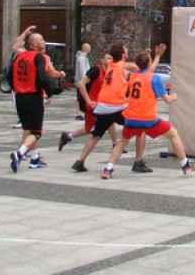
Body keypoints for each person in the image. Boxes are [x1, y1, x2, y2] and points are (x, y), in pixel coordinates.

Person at [101, 50, 193, 178]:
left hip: (131, 117)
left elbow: (143, 89)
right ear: (149, 63)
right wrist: (174, 96)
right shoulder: (154, 78)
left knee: (122, 142)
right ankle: (185, 165)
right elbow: (168, 100)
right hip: (147, 118)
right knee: (173, 134)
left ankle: (108, 169)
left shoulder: (133, 77)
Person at [87, 43, 164, 179]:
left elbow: (140, 66)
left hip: (104, 105)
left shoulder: (111, 65)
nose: (127, 49)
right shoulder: (125, 66)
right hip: (117, 106)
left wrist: (144, 54)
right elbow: (148, 70)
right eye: (126, 49)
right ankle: (138, 161)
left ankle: (82, 161)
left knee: (98, 135)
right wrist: (157, 56)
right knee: (138, 130)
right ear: (123, 54)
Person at [9, 26, 65, 172]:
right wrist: (50, 92)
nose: (44, 42)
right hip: (33, 97)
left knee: (28, 128)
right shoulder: (38, 57)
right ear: (34, 44)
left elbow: (9, 75)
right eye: (42, 40)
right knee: (36, 132)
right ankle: (19, 153)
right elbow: (43, 76)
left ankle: (34, 159)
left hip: (20, 97)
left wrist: (16, 87)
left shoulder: (20, 56)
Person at [58, 51, 119, 172]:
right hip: (93, 106)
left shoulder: (111, 72)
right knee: (99, 131)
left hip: (102, 106)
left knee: (90, 128)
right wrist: (88, 101)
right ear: (102, 60)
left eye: (112, 59)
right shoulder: (96, 70)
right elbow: (80, 84)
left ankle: (68, 136)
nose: (110, 61)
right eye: (108, 58)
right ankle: (114, 144)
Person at [73, 42, 91, 120]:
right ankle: (79, 113)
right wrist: (85, 80)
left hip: (81, 81)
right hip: (82, 81)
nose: (90, 49)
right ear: (86, 48)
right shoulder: (82, 59)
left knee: (80, 97)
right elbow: (83, 71)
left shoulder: (83, 58)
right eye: (89, 47)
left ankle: (80, 112)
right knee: (80, 98)